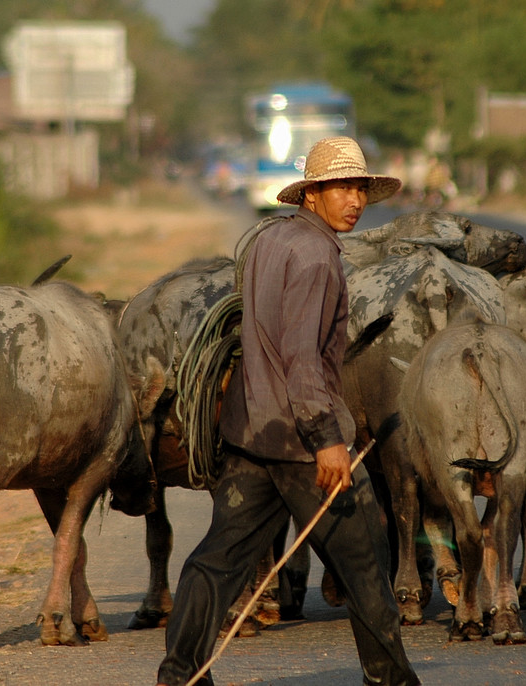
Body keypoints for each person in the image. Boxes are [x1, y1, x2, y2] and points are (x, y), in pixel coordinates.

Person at [156, 136, 420, 686]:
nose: (354, 200)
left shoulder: (268, 240)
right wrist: (327, 439)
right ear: (312, 195)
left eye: (360, 189)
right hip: (304, 445)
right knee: (367, 563)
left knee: (218, 558)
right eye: (341, 188)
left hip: (252, 433)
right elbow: (301, 357)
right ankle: (391, 679)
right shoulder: (317, 256)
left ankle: (179, 674)